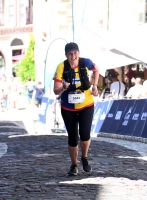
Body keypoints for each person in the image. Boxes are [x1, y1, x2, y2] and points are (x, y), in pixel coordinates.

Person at [53, 42, 99, 176]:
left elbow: (96, 69)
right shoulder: (61, 67)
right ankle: (73, 165)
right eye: (70, 54)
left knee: (85, 135)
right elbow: (56, 90)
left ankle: (84, 157)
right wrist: (63, 87)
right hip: (68, 107)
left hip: (86, 104)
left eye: (75, 53)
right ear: (66, 55)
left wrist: (95, 86)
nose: (73, 56)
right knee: (73, 137)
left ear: (78, 53)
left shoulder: (86, 63)